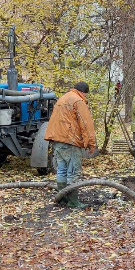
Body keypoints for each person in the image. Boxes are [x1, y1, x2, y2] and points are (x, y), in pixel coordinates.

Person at [44, 81, 97, 209]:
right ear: (83, 92)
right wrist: (91, 143)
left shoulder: (62, 98)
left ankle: (62, 199)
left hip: (58, 140)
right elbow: (86, 124)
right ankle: (73, 202)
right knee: (73, 171)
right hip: (71, 141)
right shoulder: (78, 101)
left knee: (61, 169)